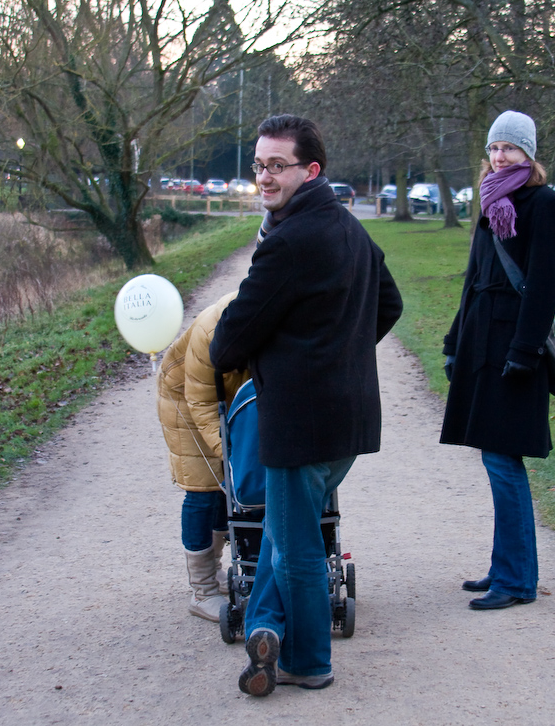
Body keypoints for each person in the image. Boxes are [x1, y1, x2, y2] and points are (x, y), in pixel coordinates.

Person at [209, 114, 403, 696]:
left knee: (294, 550)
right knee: (284, 534)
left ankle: (309, 661)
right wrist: (336, 352)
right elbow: (388, 304)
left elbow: (227, 343)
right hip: (345, 424)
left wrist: (305, 358)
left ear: (310, 169)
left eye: (277, 165)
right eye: (259, 166)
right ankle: (266, 625)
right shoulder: (346, 227)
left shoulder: (290, 241)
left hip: (300, 424)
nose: (264, 177)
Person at [441, 110, 555, 610]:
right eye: (494, 149)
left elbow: (543, 286)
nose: (499, 157)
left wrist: (524, 351)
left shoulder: (545, 205)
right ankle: (504, 569)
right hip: (481, 343)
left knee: (502, 458)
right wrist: (454, 341)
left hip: (516, 350)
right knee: (495, 457)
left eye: (510, 149)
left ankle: (517, 581)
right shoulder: (492, 201)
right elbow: (473, 280)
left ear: (528, 155)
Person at [157, 292, 249, 622]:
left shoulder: (267, 314)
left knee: (229, 486)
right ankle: (202, 591)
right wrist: (232, 455)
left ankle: (216, 570)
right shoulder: (209, 330)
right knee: (204, 489)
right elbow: (202, 403)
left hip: (228, 394)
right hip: (186, 397)